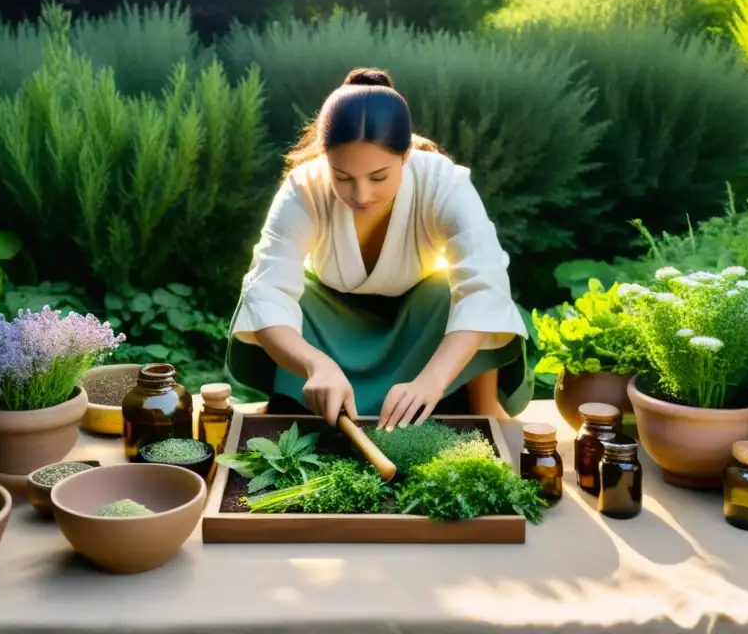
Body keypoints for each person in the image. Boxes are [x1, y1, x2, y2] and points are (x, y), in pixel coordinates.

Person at [225, 67, 533, 431]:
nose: (362, 195)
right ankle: (297, 403)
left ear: (405, 155)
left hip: (417, 321)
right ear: (325, 159)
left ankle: (480, 407)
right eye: (343, 177)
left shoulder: (443, 181)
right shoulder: (304, 187)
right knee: (288, 299)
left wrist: (431, 381)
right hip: (329, 327)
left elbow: (484, 285)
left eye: (378, 177)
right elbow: (267, 288)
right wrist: (315, 364)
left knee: (452, 293)